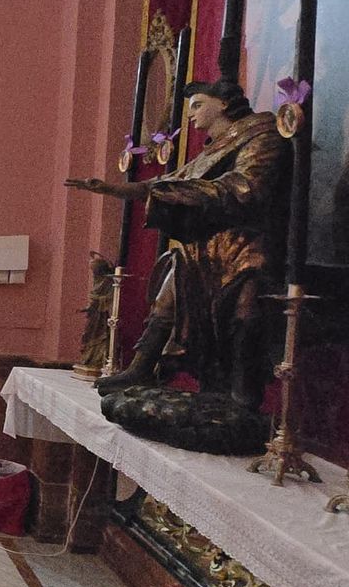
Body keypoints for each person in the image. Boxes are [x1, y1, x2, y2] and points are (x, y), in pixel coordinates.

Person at [65, 79, 287, 406]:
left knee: (244, 313)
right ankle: (142, 365)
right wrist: (111, 189)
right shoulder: (214, 147)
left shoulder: (262, 136)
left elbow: (245, 188)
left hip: (245, 247)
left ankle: (244, 395)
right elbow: (165, 183)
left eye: (197, 104)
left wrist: (181, 193)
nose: (191, 115)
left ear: (223, 103)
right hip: (207, 248)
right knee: (167, 295)